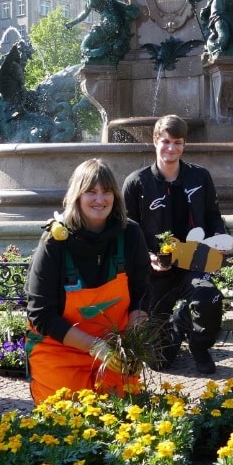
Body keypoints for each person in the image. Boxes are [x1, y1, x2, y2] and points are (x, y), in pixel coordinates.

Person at [25, 159, 150, 404]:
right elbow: (41, 315)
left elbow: (142, 295)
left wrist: (132, 346)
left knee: (121, 411)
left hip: (116, 349)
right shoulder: (54, 242)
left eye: (107, 192)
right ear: (77, 196)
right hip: (60, 349)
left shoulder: (131, 233)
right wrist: (95, 347)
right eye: (91, 192)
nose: (100, 200)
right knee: (68, 418)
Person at [121, 115, 227, 375]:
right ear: (155, 142)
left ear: (184, 144)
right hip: (155, 271)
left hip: (195, 263)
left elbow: (214, 215)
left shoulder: (200, 177)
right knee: (159, 363)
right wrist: (147, 256)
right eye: (166, 142)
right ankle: (178, 325)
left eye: (177, 142)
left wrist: (221, 238)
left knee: (209, 296)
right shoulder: (137, 182)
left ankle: (200, 347)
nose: (172, 148)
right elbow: (127, 231)